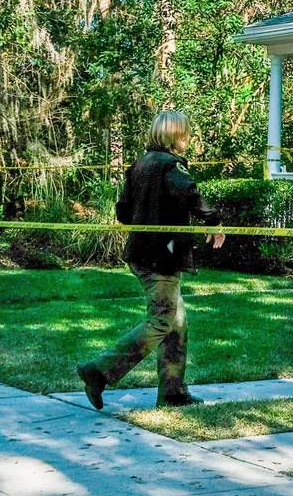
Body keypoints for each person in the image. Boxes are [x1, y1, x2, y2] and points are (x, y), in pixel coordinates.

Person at [77, 111, 224, 410]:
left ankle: (173, 393)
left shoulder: (139, 165)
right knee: (161, 320)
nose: (189, 139)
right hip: (161, 257)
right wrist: (212, 220)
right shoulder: (171, 166)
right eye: (186, 134)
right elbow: (190, 193)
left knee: (176, 323)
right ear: (175, 136)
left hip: (141, 254)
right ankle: (99, 371)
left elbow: (123, 212)